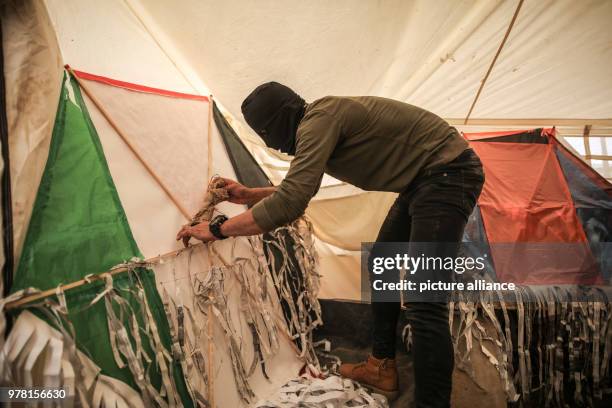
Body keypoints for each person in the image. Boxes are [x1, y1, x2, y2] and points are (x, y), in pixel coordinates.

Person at [176, 82, 485, 407]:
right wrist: (251, 195)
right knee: (383, 261)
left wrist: (217, 229)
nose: (275, 146)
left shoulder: (319, 120)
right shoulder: (319, 123)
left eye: (267, 135)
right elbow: (301, 186)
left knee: (425, 301)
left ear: (276, 125)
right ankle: (382, 367)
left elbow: (291, 203)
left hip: (447, 174)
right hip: (423, 180)